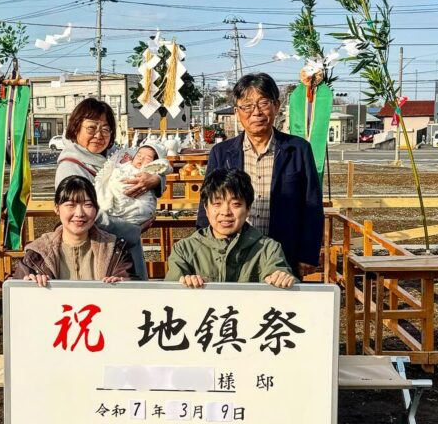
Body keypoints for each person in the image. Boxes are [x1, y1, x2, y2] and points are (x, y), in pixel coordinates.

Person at [197, 73, 323, 278]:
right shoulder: (222, 153)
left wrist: (308, 254)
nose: (256, 112)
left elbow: (312, 206)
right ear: (237, 111)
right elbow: (207, 204)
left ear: (276, 106)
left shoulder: (298, 150)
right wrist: (202, 250)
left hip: (283, 254)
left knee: (278, 308)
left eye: (263, 103)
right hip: (231, 254)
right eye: (247, 105)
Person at [55, 98, 164, 278]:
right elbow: (87, 216)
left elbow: (151, 159)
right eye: (91, 128)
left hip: (123, 247)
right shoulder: (70, 167)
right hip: (97, 253)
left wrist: (155, 180)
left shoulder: (114, 156)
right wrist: (132, 230)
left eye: (105, 129)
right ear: (76, 128)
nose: (99, 135)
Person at [167, 168, 295, 287]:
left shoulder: (268, 249)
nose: (225, 212)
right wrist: (184, 284)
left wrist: (281, 278)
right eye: (217, 203)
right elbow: (168, 297)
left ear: (248, 209)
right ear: (206, 209)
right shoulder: (184, 249)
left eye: (236, 204)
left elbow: (279, 275)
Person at [13, 176, 135, 286]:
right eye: (71, 205)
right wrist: (28, 284)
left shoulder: (115, 249)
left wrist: (123, 284)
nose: (79, 213)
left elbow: (133, 292)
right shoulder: (38, 254)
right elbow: (17, 297)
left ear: (96, 210)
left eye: (87, 205)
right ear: (57, 208)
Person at [94, 140, 171, 229]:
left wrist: (156, 179)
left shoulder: (147, 170)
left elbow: (164, 168)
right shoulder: (122, 162)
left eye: (148, 158)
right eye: (139, 155)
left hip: (137, 208)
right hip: (111, 209)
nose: (141, 158)